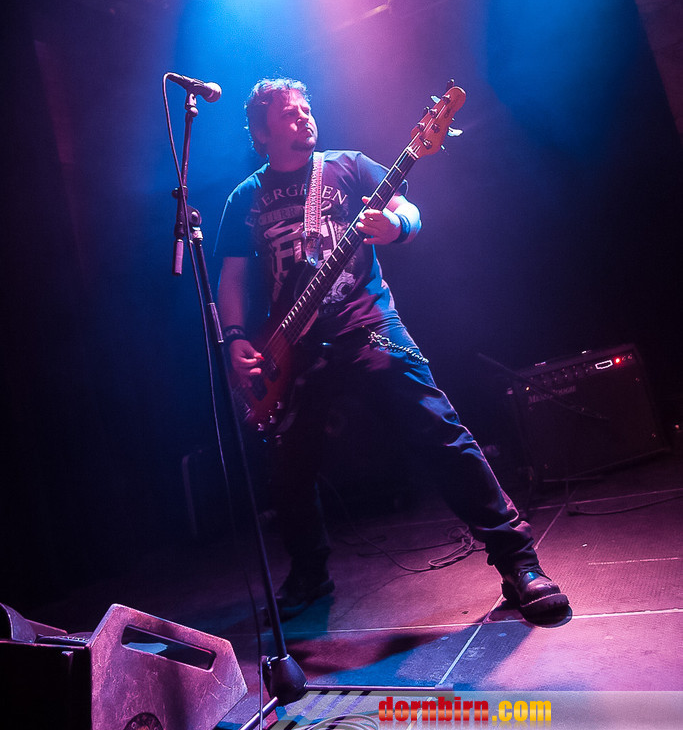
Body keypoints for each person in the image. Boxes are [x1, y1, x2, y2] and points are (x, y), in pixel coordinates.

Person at [216, 77, 569, 624]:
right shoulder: (245, 198)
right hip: (291, 346)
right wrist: (237, 338)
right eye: (289, 113)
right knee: (289, 467)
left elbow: (410, 209)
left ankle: (518, 561)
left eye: (307, 108)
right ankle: (309, 573)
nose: (304, 117)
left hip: (367, 323)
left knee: (439, 431)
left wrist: (395, 225)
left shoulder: (348, 166)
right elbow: (233, 278)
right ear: (261, 133)